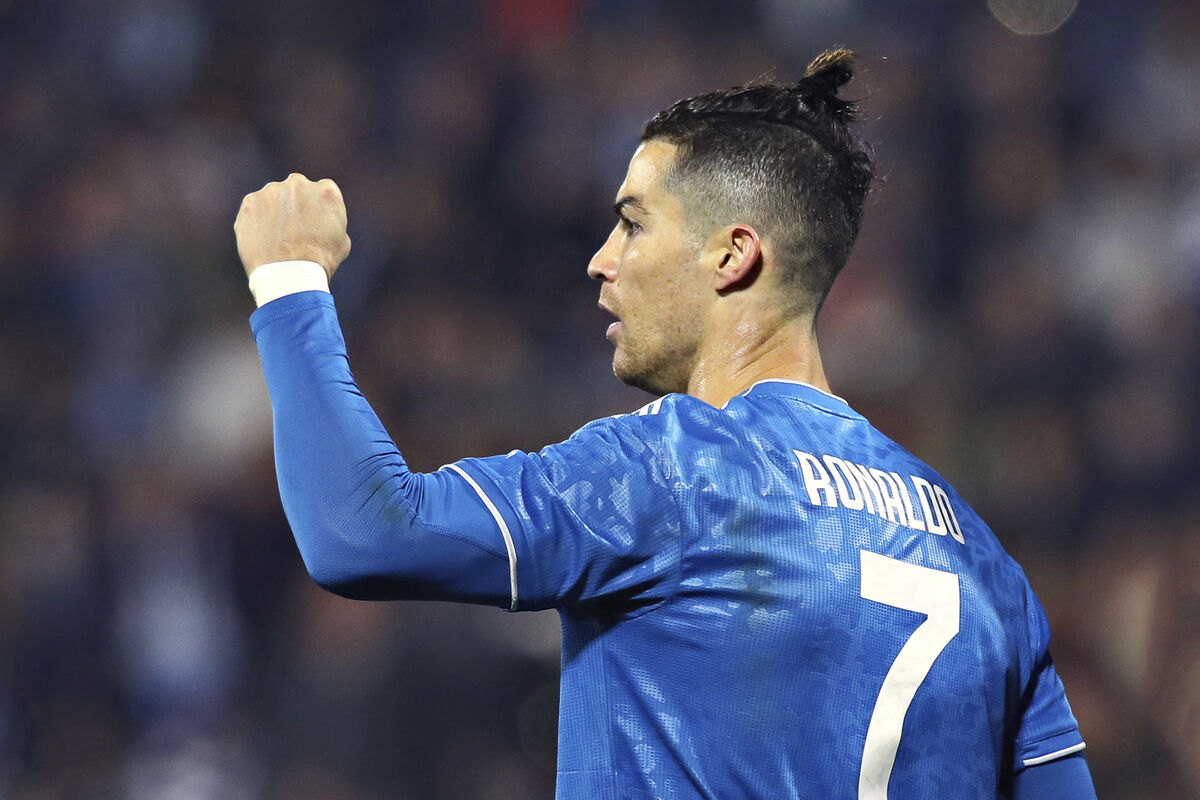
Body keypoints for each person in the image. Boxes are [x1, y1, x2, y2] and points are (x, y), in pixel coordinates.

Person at [234, 49, 1097, 799]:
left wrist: (290, 282)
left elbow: (362, 531)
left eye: (632, 223)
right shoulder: (986, 567)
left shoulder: (678, 472)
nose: (600, 260)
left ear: (733, 255)